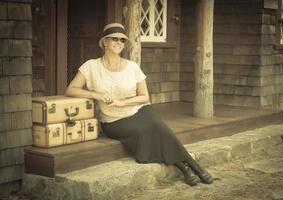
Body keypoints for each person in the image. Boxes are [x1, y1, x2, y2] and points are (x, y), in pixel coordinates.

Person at [65, 23, 213, 186]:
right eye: (115, 39)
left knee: (158, 126)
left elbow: (144, 97)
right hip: (114, 121)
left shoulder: (132, 67)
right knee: (147, 131)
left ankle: (193, 167)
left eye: (122, 40)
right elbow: (71, 89)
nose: (119, 43)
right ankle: (186, 168)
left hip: (139, 110)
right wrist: (95, 94)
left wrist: (123, 102)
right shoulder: (91, 66)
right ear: (104, 42)